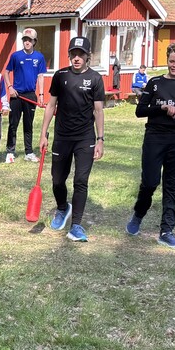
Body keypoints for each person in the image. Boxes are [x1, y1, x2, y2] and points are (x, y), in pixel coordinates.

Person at [127, 41, 175, 250]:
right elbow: (140, 111)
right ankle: (138, 214)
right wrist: (162, 108)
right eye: (172, 61)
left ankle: (166, 231)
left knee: (172, 185)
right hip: (154, 138)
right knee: (150, 183)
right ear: (167, 60)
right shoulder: (154, 83)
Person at [39, 36, 105, 242]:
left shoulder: (95, 78)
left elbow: (98, 110)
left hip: (85, 137)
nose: (76, 58)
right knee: (57, 180)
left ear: (87, 56)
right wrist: (43, 133)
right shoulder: (60, 76)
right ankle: (62, 208)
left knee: (80, 181)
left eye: (80, 55)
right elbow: (51, 105)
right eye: (73, 54)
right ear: (69, 55)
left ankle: (76, 225)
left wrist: (100, 139)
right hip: (62, 136)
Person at [4, 28, 48, 162]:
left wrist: (41, 94)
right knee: (13, 124)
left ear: (34, 41)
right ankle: (10, 152)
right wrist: (10, 87)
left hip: (30, 95)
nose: (27, 42)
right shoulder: (16, 56)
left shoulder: (39, 57)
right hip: (16, 95)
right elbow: (6, 72)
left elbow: (41, 76)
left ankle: (29, 152)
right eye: (25, 40)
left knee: (28, 125)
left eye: (29, 40)